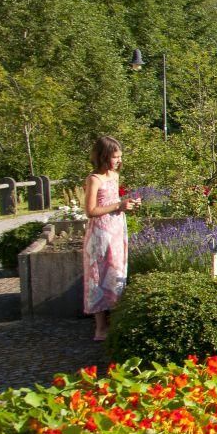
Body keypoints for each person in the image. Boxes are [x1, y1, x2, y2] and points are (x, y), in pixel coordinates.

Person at [83, 135, 136, 341]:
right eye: (115, 157)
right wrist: (118, 206)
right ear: (104, 156)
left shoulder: (114, 176)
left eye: (120, 156)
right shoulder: (94, 179)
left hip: (116, 229)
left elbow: (114, 202)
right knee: (98, 276)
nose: (119, 160)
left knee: (116, 272)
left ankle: (115, 321)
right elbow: (90, 211)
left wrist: (126, 205)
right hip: (100, 234)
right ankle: (100, 328)